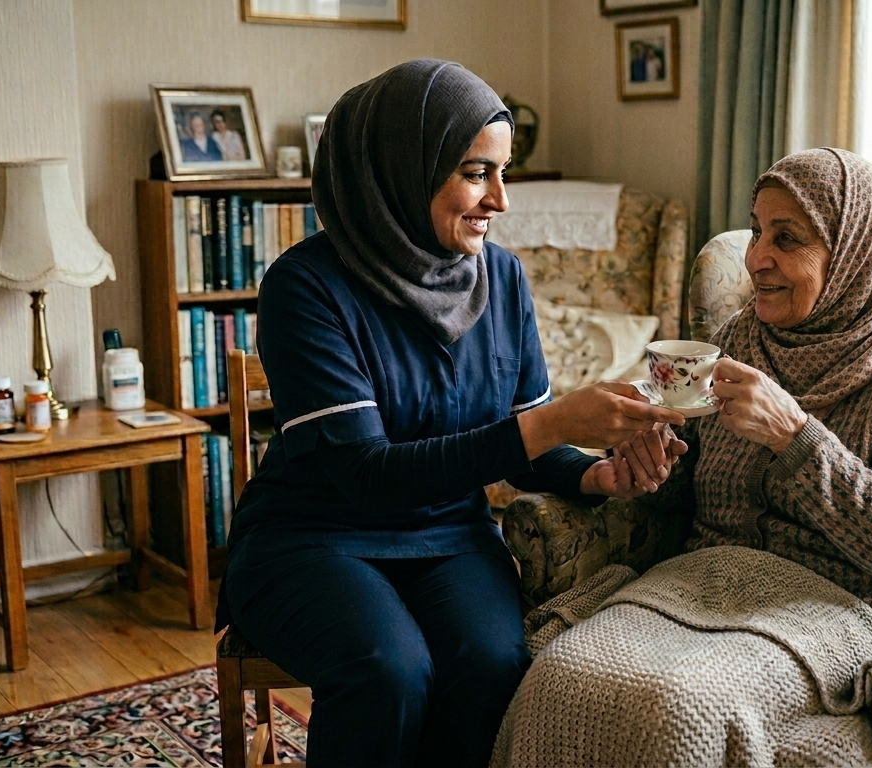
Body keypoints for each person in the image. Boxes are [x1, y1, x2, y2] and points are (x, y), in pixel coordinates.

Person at [218, 59, 684, 767]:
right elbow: (365, 475)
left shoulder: (501, 277)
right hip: (315, 536)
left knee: (492, 663)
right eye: (475, 173)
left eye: (503, 173)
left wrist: (601, 477)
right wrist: (556, 423)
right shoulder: (305, 288)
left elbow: (525, 444)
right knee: (388, 669)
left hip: (449, 534)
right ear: (404, 169)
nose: (500, 199)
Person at [497, 148, 872, 765]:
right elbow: (680, 492)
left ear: (854, 253)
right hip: (703, 583)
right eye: (756, 230)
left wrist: (795, 436)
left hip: (836, 608)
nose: (756, 258)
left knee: (679, 710)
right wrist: (649, 461)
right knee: (558, 676)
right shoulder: (740, 338)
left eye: (787, 237)